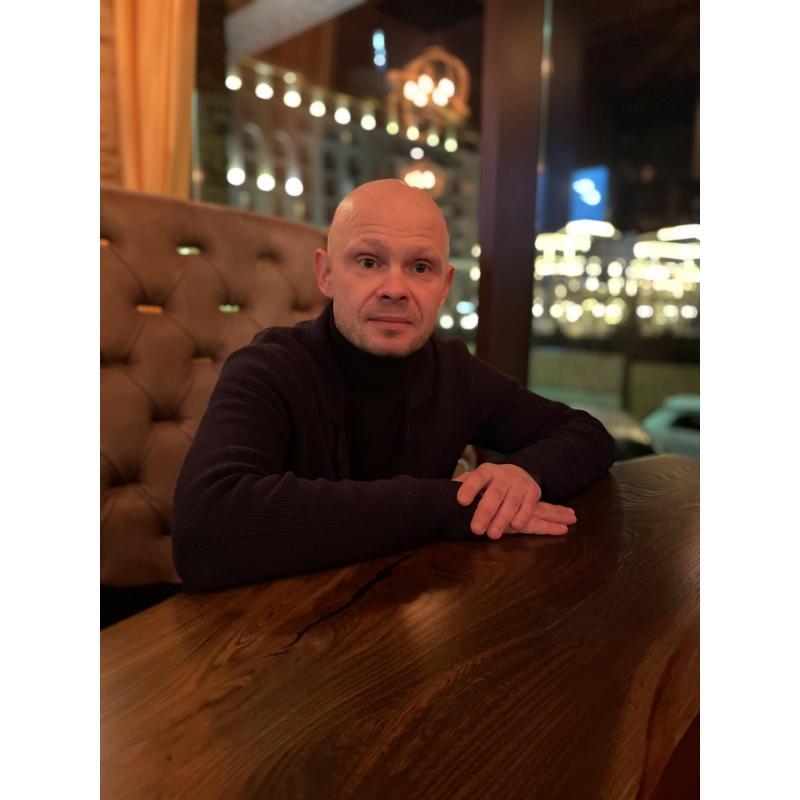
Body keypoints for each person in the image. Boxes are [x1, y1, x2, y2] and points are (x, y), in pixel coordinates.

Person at [173, 180, 615, 591]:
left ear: (444, 287)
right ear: (326, 274)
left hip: (405, 616)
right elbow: (206, 528)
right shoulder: (269, 367)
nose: (395, 289)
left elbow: (585, 434)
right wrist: (455, 505)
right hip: (271, 629)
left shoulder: (453, 372)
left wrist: (523, 475)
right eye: (369, 262)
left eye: (420, 267)